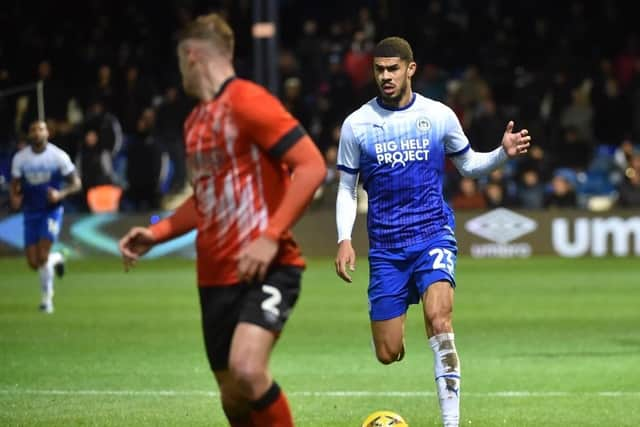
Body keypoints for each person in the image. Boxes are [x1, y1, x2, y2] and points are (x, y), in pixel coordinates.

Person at [118, 13, 326, 427]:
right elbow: (206, 198)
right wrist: (157, 232)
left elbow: (311, 166)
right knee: (233, 398)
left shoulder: (248, 100)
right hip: (213, 278)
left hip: (267, 266)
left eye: (180, 63)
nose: (180, 74)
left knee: (248, 370)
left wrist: (270, 235)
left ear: (192, 55)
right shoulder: (195, 123)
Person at [334, 37, 531, 427]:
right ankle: (397, 327)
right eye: (379, 69)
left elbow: (469, 165)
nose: (385, 76)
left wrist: (501, 153)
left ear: (410, 69)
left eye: (393, 69)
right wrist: (344, 238)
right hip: (387, 248)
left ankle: (451, 423)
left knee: (440, 320)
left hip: (432, 235)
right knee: (387, 352)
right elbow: (345, 187)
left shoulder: (438, 115)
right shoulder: (357, 125)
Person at [9, 120, 82, 313]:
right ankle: (57, 258)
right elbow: (15, 184)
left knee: (42, 256)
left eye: (40, 129)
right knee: (33, 263)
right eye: (33, 129)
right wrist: (15, 197)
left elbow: (76, 183)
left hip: (51, 210)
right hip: (30, 211)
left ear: (47, 133)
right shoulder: (21, 158)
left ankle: (47, 300)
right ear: (29, 134)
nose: (37, 133)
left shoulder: (58, 156)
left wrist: (60, 194)